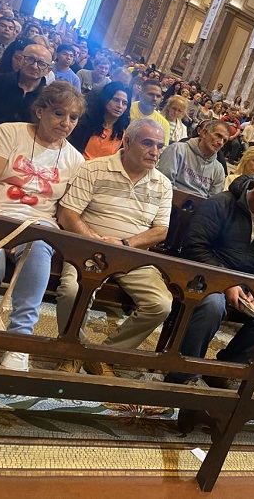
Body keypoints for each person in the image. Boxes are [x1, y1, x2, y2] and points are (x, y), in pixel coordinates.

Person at [55, 118, 173, 376]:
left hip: (132, 255)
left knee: (161, 304)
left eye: (159, 146)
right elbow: (67, 213)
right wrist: (94, 241)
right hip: (89, 248)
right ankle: (72, 352)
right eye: (147, 143)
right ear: (127, 142)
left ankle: (103, 356)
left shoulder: (163, 184)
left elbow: (160, 231)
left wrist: (125, 244)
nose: (155, 152)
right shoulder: (94, 169)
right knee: (72, 290)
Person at [0, 82, 86, 371]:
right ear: (40, 110)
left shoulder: (75, 160)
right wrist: (3, 228)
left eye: (73, 117)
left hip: (38, 224)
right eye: (58, 113)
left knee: (40, 246)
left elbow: (65, 211)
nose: (66, 123)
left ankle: (20, 342)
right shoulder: (9, 133)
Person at [166, 169, 254, 386]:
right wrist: (227, 283)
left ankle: (223, 369)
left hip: (245, 284)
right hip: (205, 276)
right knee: (213, 306)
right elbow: (195, 246)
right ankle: (182, 372)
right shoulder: (221, 204)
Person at [0, 43, 52, 131]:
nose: (34, 66)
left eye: (42, 64)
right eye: (30, 59)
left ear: (48, 70)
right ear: (20, 60)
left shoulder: (48, 98)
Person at [157, 119, 228, 198]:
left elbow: (213, 200)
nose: (220, 142)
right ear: (204, 133)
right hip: (168, 200)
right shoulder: (176, 150)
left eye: (224, 141)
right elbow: (163, 184)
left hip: (201, 205)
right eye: (218, 136)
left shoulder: (219, 170)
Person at [68, 81, 130, 160]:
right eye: (116, 100)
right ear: (105, 99)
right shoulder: (85, 122)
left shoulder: (125, 130)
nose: (120, 106)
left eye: (124, 103)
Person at [129, 80, 170, 146]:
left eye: (158, 96)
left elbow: (162, 148)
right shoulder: (127, 109)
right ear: (140, 94)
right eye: (151, 94)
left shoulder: (163, 124)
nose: (155, 99)